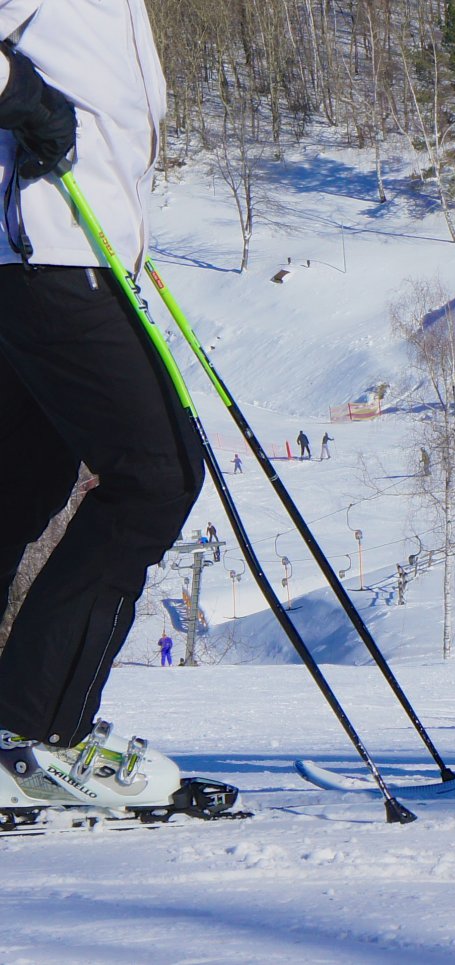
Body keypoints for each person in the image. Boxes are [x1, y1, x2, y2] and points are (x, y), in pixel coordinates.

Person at [0, 0, 206, 810]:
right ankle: (37, 728)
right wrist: (20, 96)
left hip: (60, 255)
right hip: (46, 252)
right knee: (155, 474)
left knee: (22, 478)